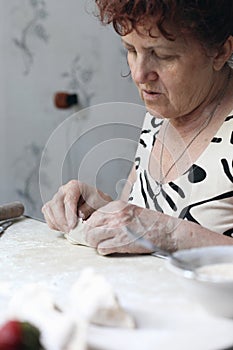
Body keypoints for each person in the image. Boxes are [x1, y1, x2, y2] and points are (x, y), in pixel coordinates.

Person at [42, 0, 233, 255]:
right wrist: (99, 207)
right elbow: (144, 223)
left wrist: (171, 234)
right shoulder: (161, 113)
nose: (139, 75)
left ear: (221, 52)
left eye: (163, 55)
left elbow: (161, 230)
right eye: (131, 50)